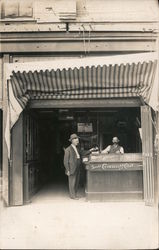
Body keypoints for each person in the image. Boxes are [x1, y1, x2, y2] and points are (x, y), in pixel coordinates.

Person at [63, 133, 96, 200]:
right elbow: (65, 161)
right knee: (72, 182)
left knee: (76, 182)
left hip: (78, 167)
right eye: (76, 139)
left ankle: (74, 194)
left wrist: (90, 150)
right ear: (72, 140)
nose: (77, 140)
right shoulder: (68, 149)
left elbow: (82, 152)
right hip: (72, 168)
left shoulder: (77, 148)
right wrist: (67, 170)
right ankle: (73, 196)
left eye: (77, 139)